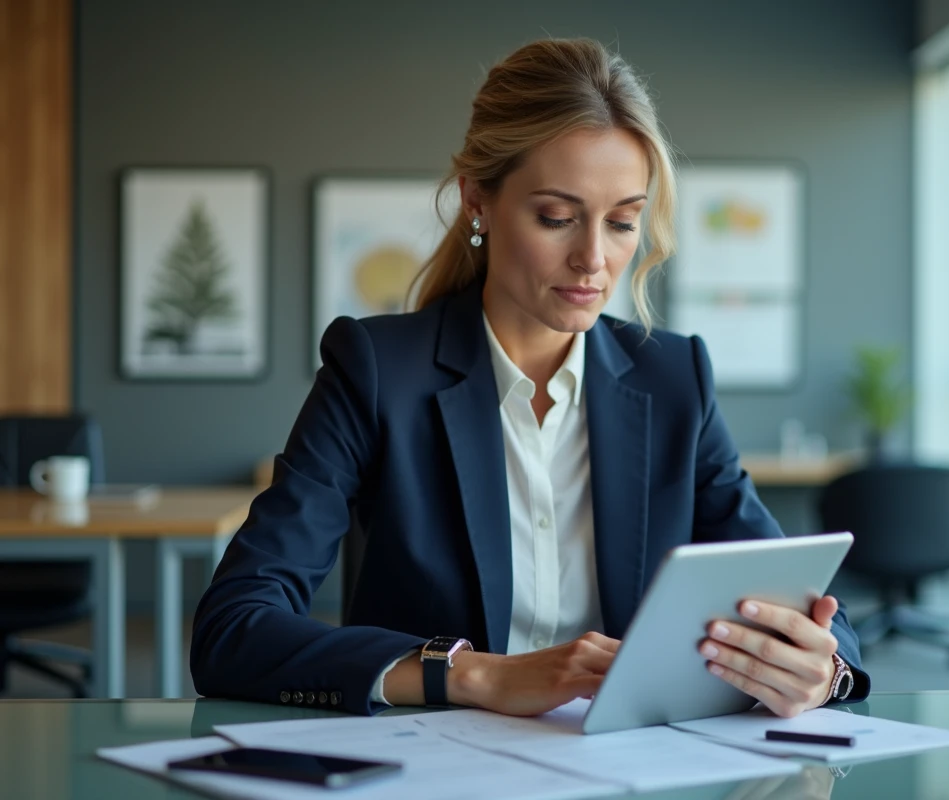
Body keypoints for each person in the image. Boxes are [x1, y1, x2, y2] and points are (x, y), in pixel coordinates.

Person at [190, 37, 870, 718]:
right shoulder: (375, 372)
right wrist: (472, 676)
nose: (594, 259)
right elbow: (233, 628)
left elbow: (797, 592)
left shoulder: (674, 379)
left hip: (633, 767)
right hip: (437, 770)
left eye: (624, 221)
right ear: (477, 202)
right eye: (556, 218)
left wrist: (823, 667)